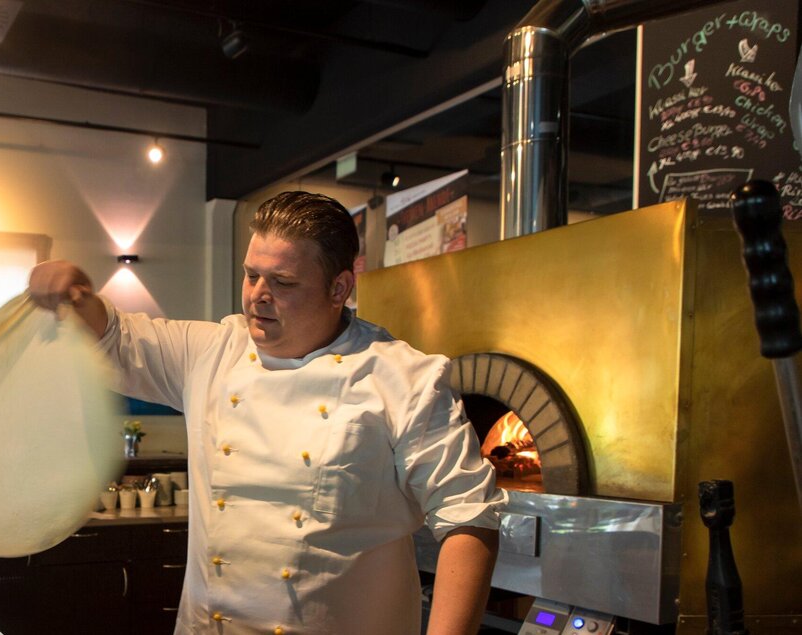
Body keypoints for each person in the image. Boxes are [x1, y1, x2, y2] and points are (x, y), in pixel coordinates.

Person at [29, 191, 505, 634]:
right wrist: (74, 296)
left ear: (339, 287)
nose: (257, 294)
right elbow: (116, 338)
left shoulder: (404, 379)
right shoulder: (210, 352)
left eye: (282, 282)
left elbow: (469, 518)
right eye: (251, 274)